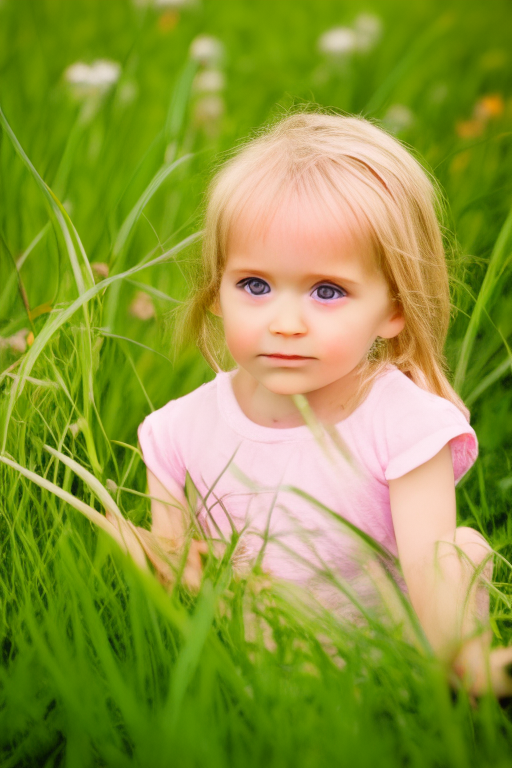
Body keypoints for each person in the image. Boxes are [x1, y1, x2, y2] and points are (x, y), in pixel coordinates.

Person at [138, 111, 512, 698]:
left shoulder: (405, 424)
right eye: (255, 286)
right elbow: (175, 579)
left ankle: (464, 677)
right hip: (247, 669)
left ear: (394, 310)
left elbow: (428, 566)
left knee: (462, 551)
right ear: (215, 292)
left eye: (328, 291)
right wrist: (158, 561)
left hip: (392, 667)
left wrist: (452, 652)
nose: (285, 323)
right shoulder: (179, 430)